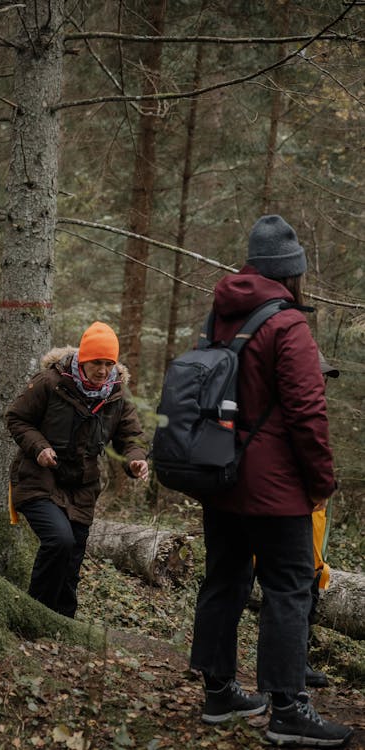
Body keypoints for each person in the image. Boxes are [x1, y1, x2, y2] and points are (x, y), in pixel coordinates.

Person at [188, 216, 353, 747]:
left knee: (224, 581)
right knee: (288, 589)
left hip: (220, 473)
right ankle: (287, 708)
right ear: (292, 273)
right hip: (276, 487)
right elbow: (308, 413)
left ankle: (219, 693)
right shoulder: (288, 325)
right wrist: (321, 480)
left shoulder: (220, 315)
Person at [6, 321, 148, 618]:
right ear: (83, 359)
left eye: (109, 363)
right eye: (97, 362)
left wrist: (135, 459)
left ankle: (64, 619)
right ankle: (35, 613)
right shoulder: (50, 382)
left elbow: (130, 436)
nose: (103, 370)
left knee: (72, 556)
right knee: (59, 540)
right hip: (38, 477)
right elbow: (17, 418)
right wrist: (40, 447)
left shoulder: (117, 395)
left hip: (82, 485)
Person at [305, 351, 340, 688]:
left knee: (310, 589)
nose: (324, 382)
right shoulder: (297, 410)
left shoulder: (315, 410)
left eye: (326, 377)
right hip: (295, 521)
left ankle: (298, 660)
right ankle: (291, 667)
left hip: (313, 525)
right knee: (296, 594)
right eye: (320, 375)